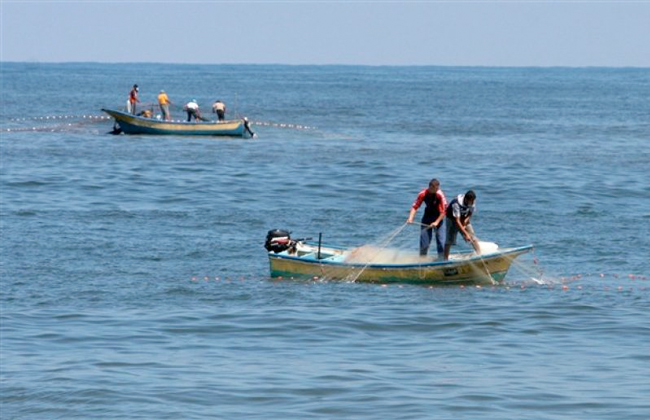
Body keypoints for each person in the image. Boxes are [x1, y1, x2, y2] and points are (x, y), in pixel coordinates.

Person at [407, 178, 447, 258]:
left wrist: (436, 222)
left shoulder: (440, 195)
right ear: (431, 187)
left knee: (441, 243)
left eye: (438, 188)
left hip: (439, 218)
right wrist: (410, 218)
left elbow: (444, 211)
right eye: (436, 188)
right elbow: (415, 206)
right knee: (424, 244)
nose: (437, 190)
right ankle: (422, 261)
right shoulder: (423, 193)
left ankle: (442, 260)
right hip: (427, 218)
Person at [444, 190, 481, 260]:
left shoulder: (472, 200)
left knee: (472, 236)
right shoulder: (456, 203)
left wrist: (465, 221)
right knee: (449, 240)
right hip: (452, 219)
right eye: (471, 201)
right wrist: (465, 233)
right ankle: (445, 259)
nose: (473, 203)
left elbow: (470, 213)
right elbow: (457, 221)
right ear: (466, 200)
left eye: (473, 201)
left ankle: (479, 254)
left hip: (463, 217)